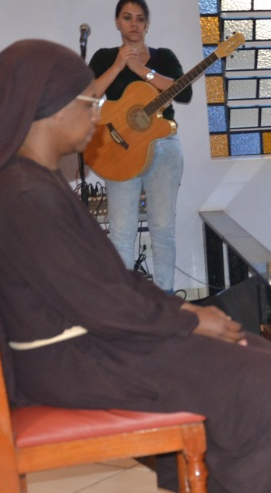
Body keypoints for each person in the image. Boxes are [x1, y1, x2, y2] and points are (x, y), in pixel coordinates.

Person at [0, 39, 271, 493]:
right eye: (90, 101)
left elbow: (103, 286)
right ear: (49, 108)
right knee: (256, 373)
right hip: (73, 357)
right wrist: (188, 320)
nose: (98, 113)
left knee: (246, 353)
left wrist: (182, 313)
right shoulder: (24, 195)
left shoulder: (32, 181)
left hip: (83, 342)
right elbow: (99, 299)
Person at [89, 0, 189, 293]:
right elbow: (89, 94)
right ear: (117, 22)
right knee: (121, 231)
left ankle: (165, 299)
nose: (134, 24)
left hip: (163, 146)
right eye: (127, 17)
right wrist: (120, 64)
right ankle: (124, 304)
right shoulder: (104, 56)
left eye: (140, 19)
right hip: (119, 148)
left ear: (147, 25)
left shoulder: (163, 57)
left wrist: (141, 69)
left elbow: (183, 91)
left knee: (162, 228)